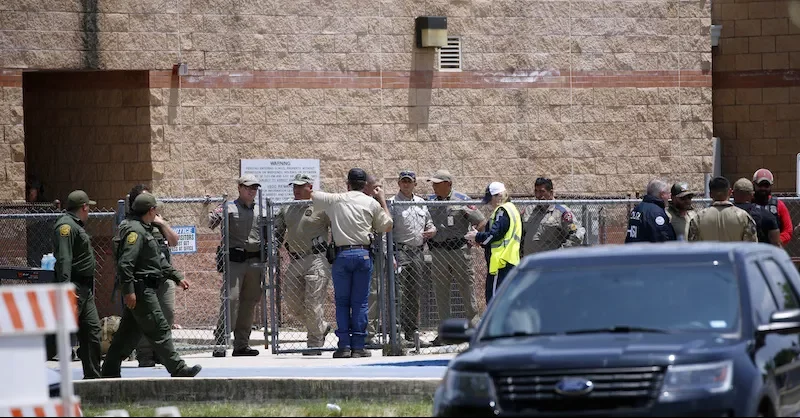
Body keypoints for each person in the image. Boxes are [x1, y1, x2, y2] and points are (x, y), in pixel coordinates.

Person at [101, 193, 201, 378]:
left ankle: (109, 370)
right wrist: (129, 291)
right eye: (155, 208)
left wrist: (176, 277)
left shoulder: (144, 229)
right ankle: (178, 368)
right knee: (160, 328)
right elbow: (126, 264)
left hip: (144, 288)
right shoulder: (136, 232)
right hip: (141, 290)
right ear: (151, 210)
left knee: (126, 335)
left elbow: (157, 261)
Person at [310, 168, 393, 358]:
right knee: (361, 303)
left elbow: (312, 194)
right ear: (365, 185)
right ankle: (358, 346)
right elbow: (388, 225)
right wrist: (382, 200)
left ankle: (344, 346)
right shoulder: (370, 203)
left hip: (342, 255)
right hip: (363, 254)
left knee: (342, 303)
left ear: (347, 184)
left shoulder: (336, 199)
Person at [121, 185, 187, 368]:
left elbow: (174, 241)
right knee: (146, 318)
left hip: (163, 275)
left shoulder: (156, 222)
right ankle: (145, 354)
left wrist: (161, 223)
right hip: (144, 278)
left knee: (167, 313)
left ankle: (161, 353)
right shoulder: (133, 226)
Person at [206, 174, 264, 357]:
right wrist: (210, 208)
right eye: (248, 187)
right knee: (230, 299)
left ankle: (241, 344)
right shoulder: (228, 207)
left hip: (255, 261)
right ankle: (221, 342)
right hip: (235, 261)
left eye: (254, 187)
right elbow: (210, 224)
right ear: (239, 187)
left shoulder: (261, 210)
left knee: (249, 302)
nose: (251, 190)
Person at [275, 173, 332, 355]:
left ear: (310, 187)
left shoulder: (321, 206)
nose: (296, 190)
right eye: (294, 187)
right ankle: (321, 327)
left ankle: (314, 344)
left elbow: (337, 227)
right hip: (296, 259)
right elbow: (277, 231)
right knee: (292, 304)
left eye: (300, 186)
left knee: (313, 303)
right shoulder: (287, 208)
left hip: (317, 258)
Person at [426, 169, 485, 339]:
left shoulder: (462, 200)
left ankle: (474, 330)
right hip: (438, 251)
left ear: (448, 184)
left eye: (438, 183)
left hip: (459, 251)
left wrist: (477, 238)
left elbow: (480, 221)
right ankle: (445, 333)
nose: (434, 187)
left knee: (467, 289)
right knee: (441, 292)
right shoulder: (430, 201)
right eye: (433, 183)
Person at [53, 190, 102, 379]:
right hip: (73, 287)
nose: (89, 211)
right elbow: (64, 259)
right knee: (57, 335)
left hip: (84, 289)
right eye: (88, 207)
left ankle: (93, 377)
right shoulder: (66, 227)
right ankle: (28, 369)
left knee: (92, 331)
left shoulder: (75, 225)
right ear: (83, 207)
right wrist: (65, 289)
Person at [389, 170, 436, 345]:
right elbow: (387, 230)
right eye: (403, 181)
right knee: (398, 292)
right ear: (399, 183)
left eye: (409, 181)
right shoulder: (393, 204)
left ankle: (412, 332)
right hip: (400, 252)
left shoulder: (421, 203)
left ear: (415, 183)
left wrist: (432, 230)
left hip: (418, 252)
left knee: (414, 292)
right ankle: (397, 332)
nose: (406, 184)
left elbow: (429, 222)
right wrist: (391, 255)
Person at [466, 182, 522, 304]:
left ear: (498, 196)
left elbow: (495, 235)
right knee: (505, 301)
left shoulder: (503, 211)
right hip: (508, 261)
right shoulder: (512, 209)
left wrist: (477, 237)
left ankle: (494, 324)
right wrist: (481, 242)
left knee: (494, 302)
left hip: (500, 263)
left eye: (490, 199)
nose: (490, 203)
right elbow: (499, 237)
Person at [521, 177, 584, 256]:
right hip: (529, 262)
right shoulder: (529, 209)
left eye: (542, 191)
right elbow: (522, 233)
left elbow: (577, 235)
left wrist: (560, 253)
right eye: (536, 191)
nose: (538, 195)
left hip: (549, 264)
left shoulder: (561, 212)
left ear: (551, 192)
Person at [688, 176, 757, 243]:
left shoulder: (698, 218)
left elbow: (692, 247)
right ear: (730, 192)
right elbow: (751, 246)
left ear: (710, 194)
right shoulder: (743, 217)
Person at [624, 179, 676, 243]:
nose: (669, 197)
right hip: (647, 251)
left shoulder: (637, 209)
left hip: (633, 250)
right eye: (668, 194)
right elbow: (661, 239)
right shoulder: (656, 213)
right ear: (662, 194)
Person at [732, 178, 780, 246]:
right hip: (759, 254)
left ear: (732, 193)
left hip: (730, 255)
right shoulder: (767, 216)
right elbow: (776, 244)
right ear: (752, 194)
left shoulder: (723, 215)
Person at [752, 168, 793, 246]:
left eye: (766, 185)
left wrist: (777, 240)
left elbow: (788, 230)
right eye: (760, 185)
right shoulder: (748, 203)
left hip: (772, 248)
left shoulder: (779, 205)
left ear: (771, 186)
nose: (763, 188)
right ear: (754, 184)